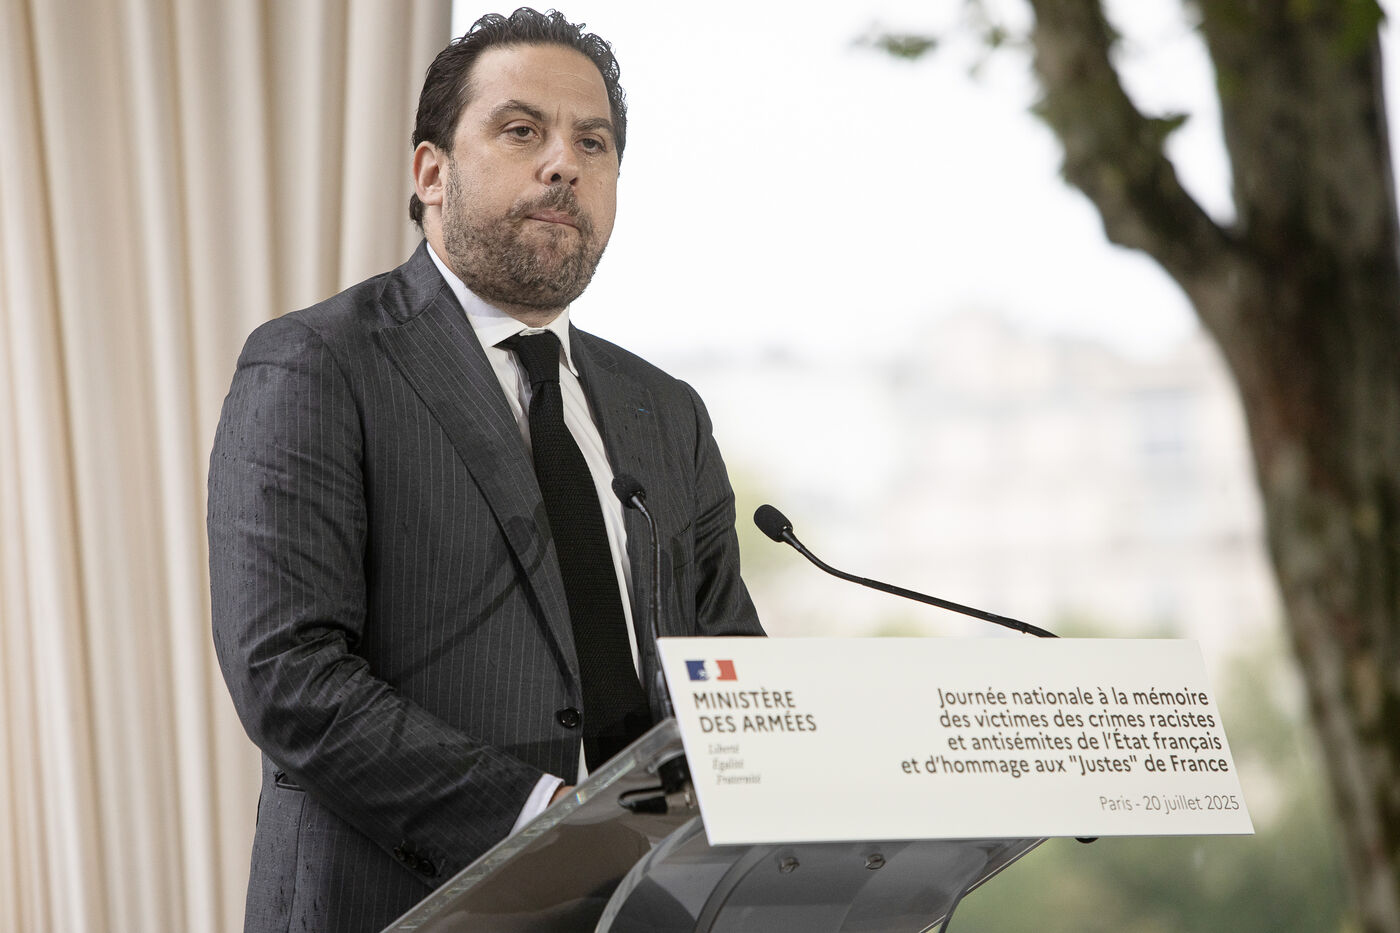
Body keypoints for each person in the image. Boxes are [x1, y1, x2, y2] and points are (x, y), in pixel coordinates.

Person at [207, 9, 762, 932]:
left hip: (655, 904)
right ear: (431, 173)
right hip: (407, 902)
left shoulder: (665, 410)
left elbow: (729, 665)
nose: (564, 164)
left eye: (593, 142)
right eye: (521, 130)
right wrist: (544, 820)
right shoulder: (318, 363)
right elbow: (289, 673)